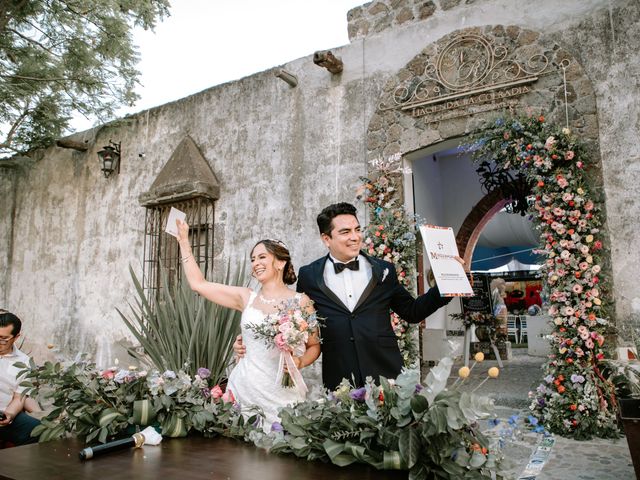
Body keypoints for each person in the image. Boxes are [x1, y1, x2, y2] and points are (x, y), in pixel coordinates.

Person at [236, 202, 465, 391]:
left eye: (357, 229)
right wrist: (249, 340)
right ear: (326, 239)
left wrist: (447, 286)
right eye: (345, 232)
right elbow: (294, 323)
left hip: (386, 375)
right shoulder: (309, 276)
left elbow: (413, 312)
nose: (355, 237)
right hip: (340, 380)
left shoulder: (384, 270)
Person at [175, 220, 320, 431]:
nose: (255, 263)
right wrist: (183, 241)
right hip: (244, 387)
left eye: (262, 257)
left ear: (280, 263)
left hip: (282, 393)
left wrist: (299, 362)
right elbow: (199, 285)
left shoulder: (302, 302)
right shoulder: (246, 298)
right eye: (253, 259)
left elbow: (315, 346)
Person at [0, 310, 40, 447]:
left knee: (38, 430)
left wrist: (9, 415)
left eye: (3, 339)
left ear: (16, 337)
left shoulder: (24, 362)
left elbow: (19, 398)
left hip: (4, 412)